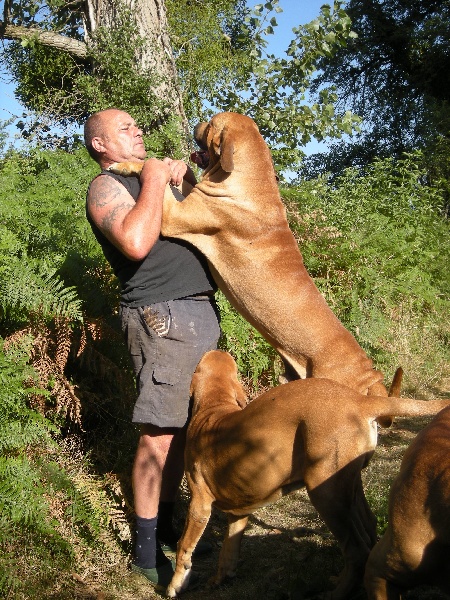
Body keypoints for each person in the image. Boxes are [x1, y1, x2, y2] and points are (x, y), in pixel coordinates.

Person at [83, 108, 220, 591]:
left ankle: (165, 530)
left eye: (136, 124)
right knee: (160, 434)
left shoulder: (149, 179)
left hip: (197, 311)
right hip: (160, 316)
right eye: (124, 128)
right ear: (100, 145)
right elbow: (137, 242)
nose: (137, 130)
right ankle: (144, 555)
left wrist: (194, 175)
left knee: (181, 433)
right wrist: (157, 177)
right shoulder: (106, 186)